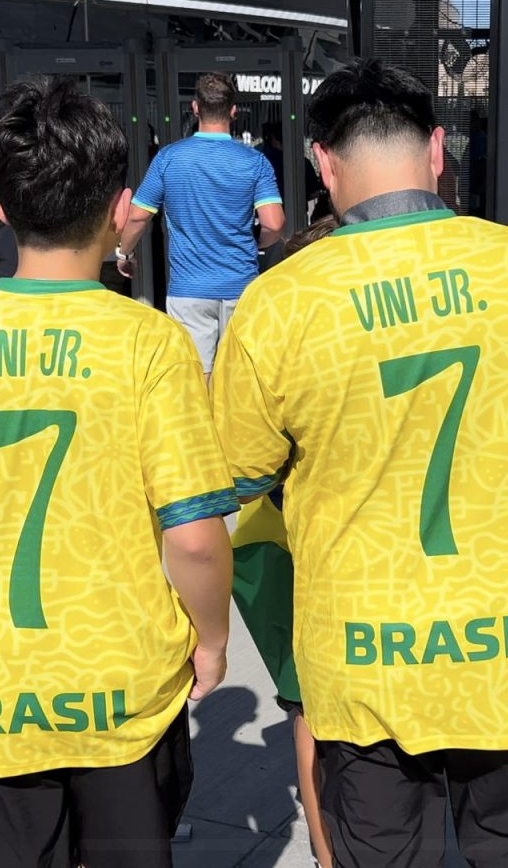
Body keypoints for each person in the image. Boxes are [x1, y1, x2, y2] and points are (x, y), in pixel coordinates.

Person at [211, 60, 508, 868]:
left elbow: (238, 474)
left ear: (323, 165)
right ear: (436, 150)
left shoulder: (281, 302)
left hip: (367, 665)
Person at [0, 76, 237, 868]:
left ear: (1, 207)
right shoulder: (150, 343)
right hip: (123, 688)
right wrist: (210, 640)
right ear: (121, 209)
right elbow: (192, 538)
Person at [227, 214, 341, 868]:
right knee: (310, 711)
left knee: (306, 708)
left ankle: (328, 858)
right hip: (321, 556)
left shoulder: (281, 347)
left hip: (286, 548)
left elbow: (243, 468)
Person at [116, 72, 286, 378]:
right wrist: (255, 246)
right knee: (241, 380)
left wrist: (123, 254)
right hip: (241, 287)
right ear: (234, 111)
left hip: (188, 291)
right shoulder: (255, 162)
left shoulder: (169, 158)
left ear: (195, 108)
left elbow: (138, 216)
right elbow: (274, 224)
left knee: (198, 380)